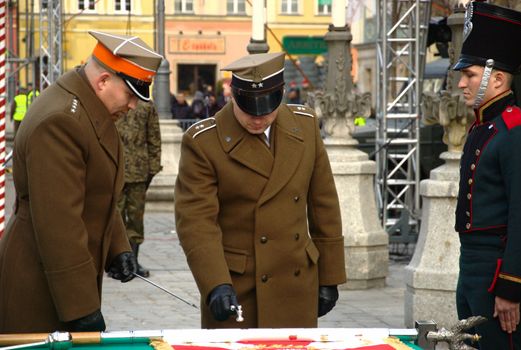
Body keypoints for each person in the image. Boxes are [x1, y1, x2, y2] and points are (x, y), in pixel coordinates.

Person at [0, 30, 162, 333]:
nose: (133, 106)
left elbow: (96, 192)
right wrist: (83, 309)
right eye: (130, 95)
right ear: (103, 81)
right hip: (41, 284)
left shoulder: (90, 109)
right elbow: (57, 222)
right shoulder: (61, 122)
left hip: (59, 279)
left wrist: (118, 248)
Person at [175, 52, 346, 329]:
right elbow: (196, 221)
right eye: (248, 109)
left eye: (267, 109)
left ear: (280, 94)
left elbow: (324, 204)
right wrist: (215, 282)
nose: (258, 118)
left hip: (297, 282)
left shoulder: (305, 126)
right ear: (233, 95)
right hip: (238, 287)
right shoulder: (204, 142)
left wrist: (330, 275)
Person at [452, 2, 521, 349]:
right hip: (473, 267)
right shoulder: (484, 126)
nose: (462, 83)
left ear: (497, 78)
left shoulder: (514, 130)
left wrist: (511, 285)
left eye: (469, 75)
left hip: (499, 272)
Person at [115, 100, 162, 278]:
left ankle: (133, 261)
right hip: (115, 169)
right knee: (115, 217)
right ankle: (116, 261)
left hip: (138, 170)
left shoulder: (146, 106)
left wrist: (153, 168)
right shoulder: (113, 101)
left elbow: (154, 138)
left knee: (136, 218)